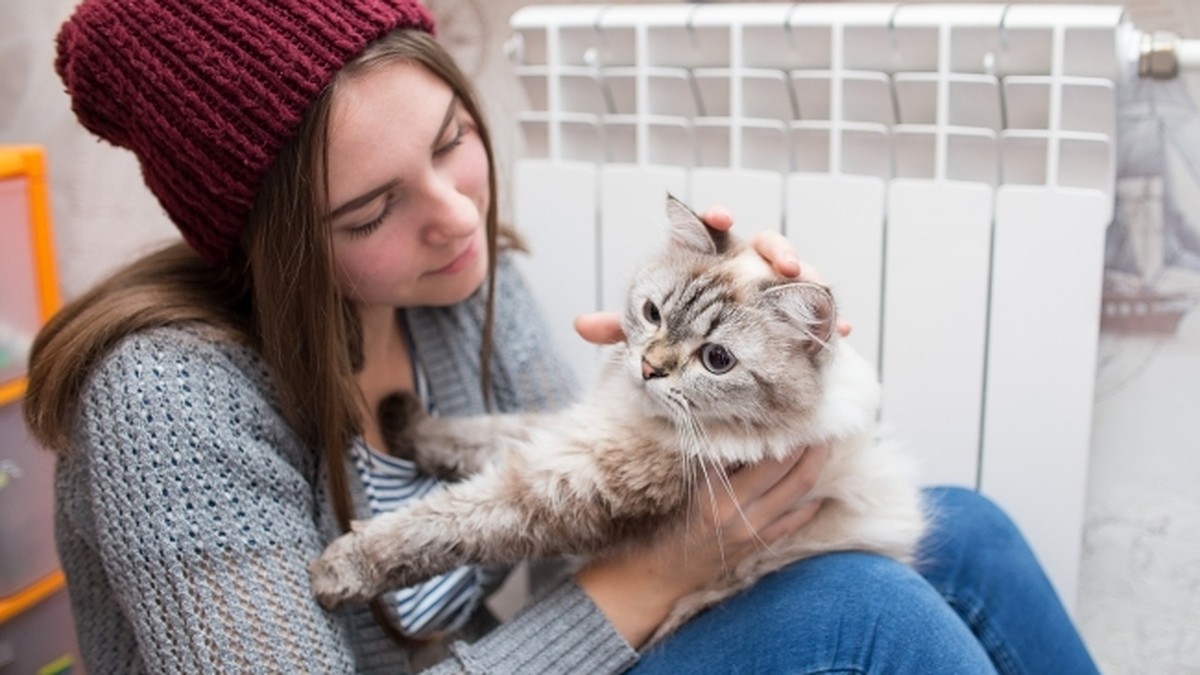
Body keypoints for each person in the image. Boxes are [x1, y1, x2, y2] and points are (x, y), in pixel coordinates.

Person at [27, 0, 1100, 672]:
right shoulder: (166, 402)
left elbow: (587, 499)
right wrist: (649, 581)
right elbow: (610, 565)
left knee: (968, 532)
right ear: (273, 247)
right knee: (865, 612)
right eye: (370, 211)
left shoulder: (454, 284)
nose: (455, 216)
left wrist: (782, 382)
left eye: (455, 143)